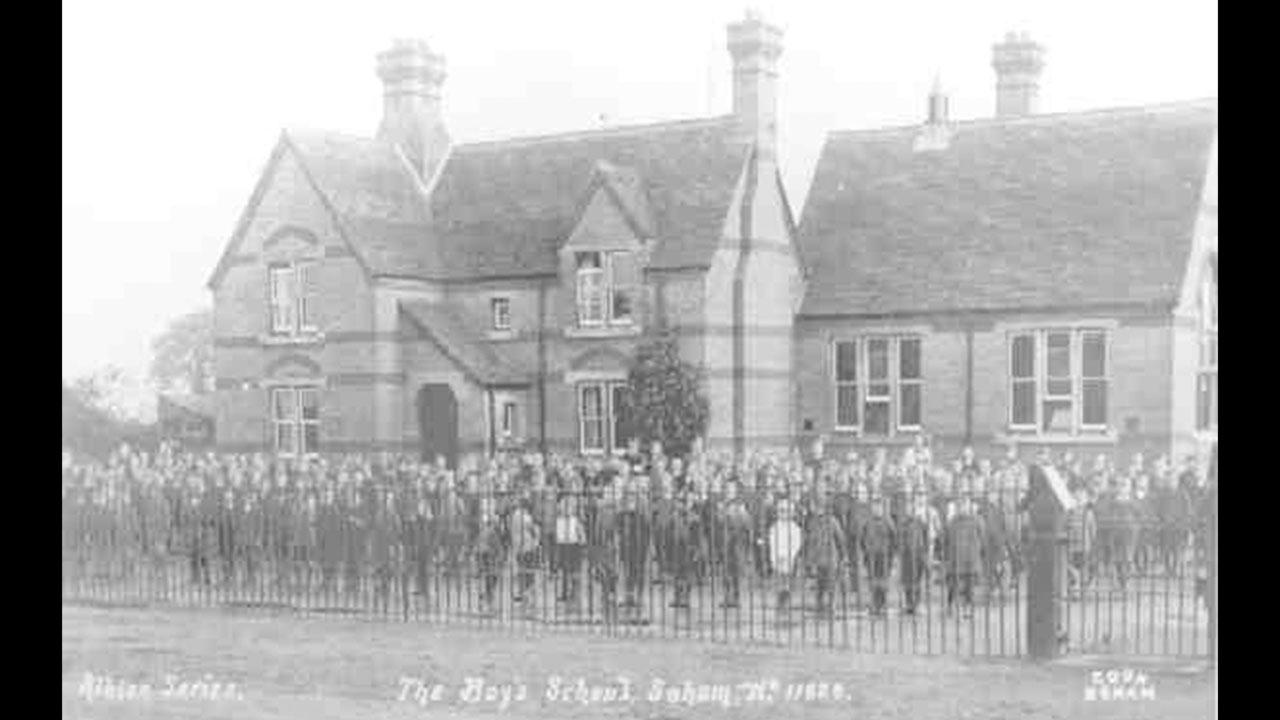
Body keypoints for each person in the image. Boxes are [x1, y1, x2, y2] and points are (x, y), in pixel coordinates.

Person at [945, 496, 984, 616]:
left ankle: (967, 608)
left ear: (969, 507)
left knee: (969, 585)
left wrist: (978, 550)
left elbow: (982, 536)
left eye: (965, 505)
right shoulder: (952, 521)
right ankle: (950, 606)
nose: (963, 508)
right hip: (955, 557)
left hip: (970, 557)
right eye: (960, 506)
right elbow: (947, 539)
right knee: (953, 584)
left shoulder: (976, 520)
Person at [861, 496, 895, 616]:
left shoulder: (889, 522)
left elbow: (894, 540)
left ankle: (883, 604)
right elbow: (862, 539)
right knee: (873, 580)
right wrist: (865, 552)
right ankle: (874, 604)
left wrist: (891, 556)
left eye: (879, 507)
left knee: (883, 581)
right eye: (875, 506)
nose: (877, 509)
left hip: (885, 556)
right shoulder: (867, 523)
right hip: (871, 556)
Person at [768, 498, 803, 612]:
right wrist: (774, 557)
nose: (783, 514)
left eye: (785, 511)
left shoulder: (794, 528)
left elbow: (796, 545)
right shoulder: (774, 527)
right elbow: (772, 543)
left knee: (787, 582)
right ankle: (780, 600)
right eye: (780, 511)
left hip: (788, 559)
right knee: (779, 582)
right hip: (777, 558)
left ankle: (785, 601)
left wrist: (788, 556)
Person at [899, 495, 931, 615]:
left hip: (918, 555)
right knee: (907, 581)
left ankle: (917, 603)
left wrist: (925, 553)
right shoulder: (903, 523)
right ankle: (909, 604)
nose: (910, 510)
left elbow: (926, 538)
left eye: (912, 508)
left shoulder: (921, 523)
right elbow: (900, 539)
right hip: (906, 556)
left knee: (917, 581)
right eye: (908, 508)